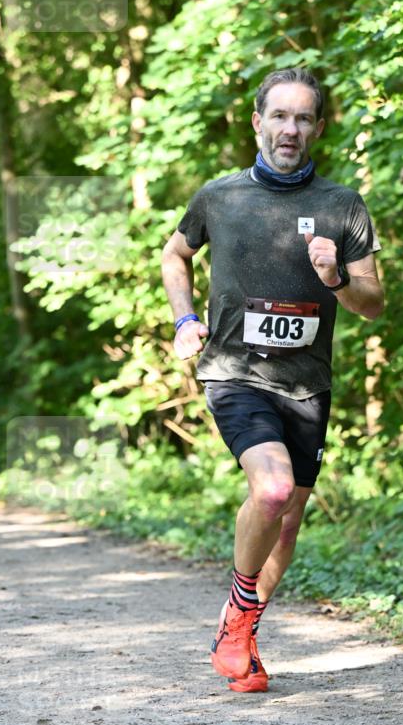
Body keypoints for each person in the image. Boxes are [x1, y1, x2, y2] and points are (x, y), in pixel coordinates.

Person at [161, 67, 384, 693]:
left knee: (287, 522)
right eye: (279, 116)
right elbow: (173, 253)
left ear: (317, 127)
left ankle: (241, 633)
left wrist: (338, 277)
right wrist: (185, 320)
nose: (291, 129)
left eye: (303, 118)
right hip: (235, 372)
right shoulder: (220, 197)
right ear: (257, 121)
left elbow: (373, 302)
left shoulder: (341, 207)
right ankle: (238, 618)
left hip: (308, 384)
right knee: (274, 492)